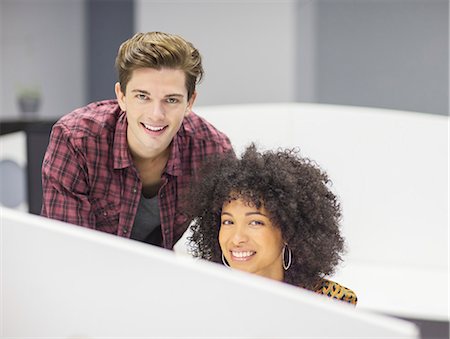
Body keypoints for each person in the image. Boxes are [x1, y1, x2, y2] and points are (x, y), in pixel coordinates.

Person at [41, 31, 233, 249]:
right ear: (121, 96)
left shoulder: (212, 150)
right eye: (142, 96)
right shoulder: (76, 141)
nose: (156, 115)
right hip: (82, 273)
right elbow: (70, 249)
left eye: (171, 100)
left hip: (155, 274)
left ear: (190, 102)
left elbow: (231, 242)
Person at [186, 144, 357, 305]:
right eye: (228, 221)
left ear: (288, 232)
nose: (237, 238)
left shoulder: (329, 303)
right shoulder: (204, 302)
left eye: (255, 222)